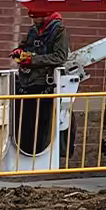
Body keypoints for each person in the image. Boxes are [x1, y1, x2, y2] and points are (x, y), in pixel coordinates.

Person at [11, 11, 71, 156]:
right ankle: (24, 153)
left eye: (36, 18)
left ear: (46, 16)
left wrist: (33, 60)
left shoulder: (59, 31)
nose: (34, 21)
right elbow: (24, 46)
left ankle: (37, 155)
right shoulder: (33, 30)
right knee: (24, 124)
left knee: (40, 125)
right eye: (32, 18)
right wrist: (19, 52)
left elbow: (60, 57)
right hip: (26, 83)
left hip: (44, 85)